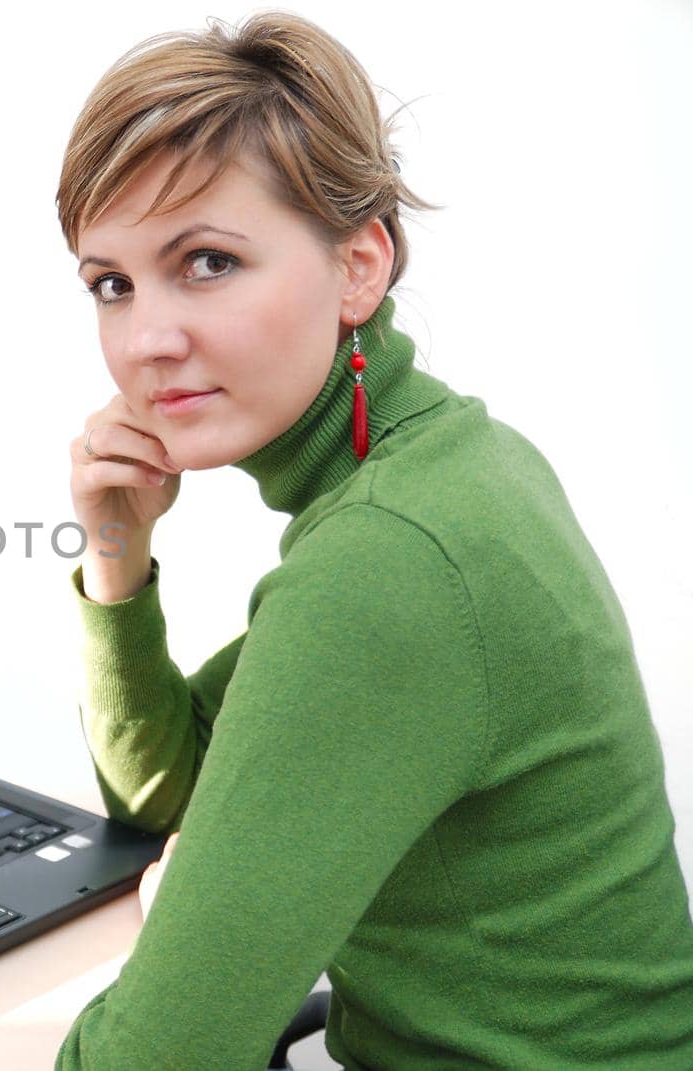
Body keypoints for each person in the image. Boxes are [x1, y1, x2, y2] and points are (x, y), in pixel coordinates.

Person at [54, 11, 693, 1070]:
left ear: (358, 268)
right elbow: (169, 791)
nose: (145, 341)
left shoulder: (386, 561)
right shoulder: (455, 463)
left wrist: (184, 922)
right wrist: (117, 560)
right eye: (110, 283)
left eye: (206, 261)